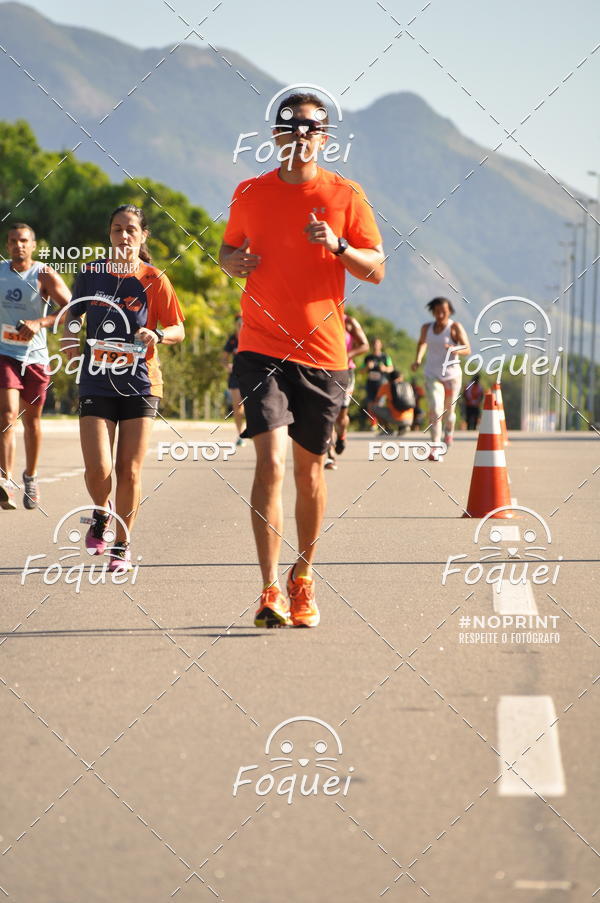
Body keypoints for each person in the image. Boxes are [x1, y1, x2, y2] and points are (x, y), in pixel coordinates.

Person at [219, 91, 384, 628]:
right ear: (276, 136)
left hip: (322, 354)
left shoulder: (345, 195)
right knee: (269, 463)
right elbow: (228, 252)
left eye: (312, 127)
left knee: (309, 476)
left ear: (325, 137)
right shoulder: (249, 193)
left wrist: (337, 245)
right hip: (261, 346)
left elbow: (376, 268)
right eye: (290, 127)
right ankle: (268, 589)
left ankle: (303, 575)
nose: (301, 135)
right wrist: (235, 262)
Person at [65, 204, 184, 569]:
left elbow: (179, 328)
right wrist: (70, 338)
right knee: (98, 469)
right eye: (117, 229)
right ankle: (101, 512)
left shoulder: (154, 279)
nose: (124, 235)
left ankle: (122, 543)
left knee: (129, 470)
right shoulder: (91, 273)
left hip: (141, 382)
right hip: (96, 381)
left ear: (143, 235)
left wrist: (158, 334)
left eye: (131, 229)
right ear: (110, 234)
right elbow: (73, 314)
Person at [0, 223, 71, 510]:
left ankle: (30, 476)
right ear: (7, 245)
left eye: (24, 241)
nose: (19, 245)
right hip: (4, 352)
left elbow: (69, 307)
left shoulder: (43, 274)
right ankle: (5, 481)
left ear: (33, 245)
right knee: (7, 415)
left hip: (36, 357)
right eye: (14, 241)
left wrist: (39, 323)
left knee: (32, 421)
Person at [411, 297, 470, 461]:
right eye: (437, 311)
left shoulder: (455, 327)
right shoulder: (426, 328)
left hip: (452, 375)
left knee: (449, 412)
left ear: (449, 311)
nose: (440, 314)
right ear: (433, 312)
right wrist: (418, 359)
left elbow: (467, 348)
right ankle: (435, 447)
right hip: (432, 374)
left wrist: (454, 348)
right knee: (436, 410)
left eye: (443, 311)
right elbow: (422, 343)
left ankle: (449, 432)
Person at [326, 313, 369, 469]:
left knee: (341, 416)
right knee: (328, 413)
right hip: (325, 371)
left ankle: (341, 435)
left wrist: (346, 356)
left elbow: (365, 345)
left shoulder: (349, 321)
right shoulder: (321, 319)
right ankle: (330, 455)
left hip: (346, 372)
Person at [222, 314, 246, 445]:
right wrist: (227, 366)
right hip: (235, 377)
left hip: (250, 376)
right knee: (237, 406)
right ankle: (240, 435)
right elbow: (224, 357)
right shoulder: (232, 340)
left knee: (251, 405)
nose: (240, 326)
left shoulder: (251, 338)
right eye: (238, 324)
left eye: (243, 323)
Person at [363, 338, 393, 429]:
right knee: (370, 405)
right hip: (370, 383)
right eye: (374, 344)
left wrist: (385, 368)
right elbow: (362, 371)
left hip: (382, 384)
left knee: (380, 404)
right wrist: (367, 368)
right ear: (372, 346)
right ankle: (374, 424)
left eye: (377, 344)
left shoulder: (385, 357)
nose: (376, 346)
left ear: (381, 345)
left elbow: (391, 368)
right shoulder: (368, 358)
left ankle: (384, 425)